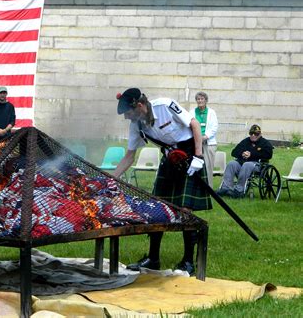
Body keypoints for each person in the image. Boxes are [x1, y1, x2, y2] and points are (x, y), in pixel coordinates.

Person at [113, 88, 211, 275]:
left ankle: (189, 261)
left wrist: (198, 157)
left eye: (129, 113)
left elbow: (195, 125)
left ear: (140, 106)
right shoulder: (137, 124)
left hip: (190, 152)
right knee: (157, 207)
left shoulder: (165, 105)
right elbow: (129, 156)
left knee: (185, 211)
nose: (127, 118)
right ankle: (153, 258)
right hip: (170, 157)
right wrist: (110, 178)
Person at [217, 124, 273, 199]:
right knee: (231, 163)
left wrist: (251, 154)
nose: (253, 135)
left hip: (257, 165)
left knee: (247, 164)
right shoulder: (245, 141)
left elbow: (268, 155)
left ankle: (239, 190)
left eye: (256, 134)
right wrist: (242, 154)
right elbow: (234, 152)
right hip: (242, 163)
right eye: (251, 133)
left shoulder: (265, 143)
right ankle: (225, 188)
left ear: (260, 134)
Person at [189, 91, 218, 187]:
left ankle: (208, 188)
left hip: (208, 143)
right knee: (195, 166)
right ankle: (195, 188)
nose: (200, 101)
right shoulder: (192, 112)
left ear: (206, 100)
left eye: (202, 99)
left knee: (208, 167)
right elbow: (189, 125)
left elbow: (214, 127)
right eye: (198, 99)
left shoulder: (212, 112)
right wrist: (197, 138)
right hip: (195, 143)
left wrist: (205, 137)